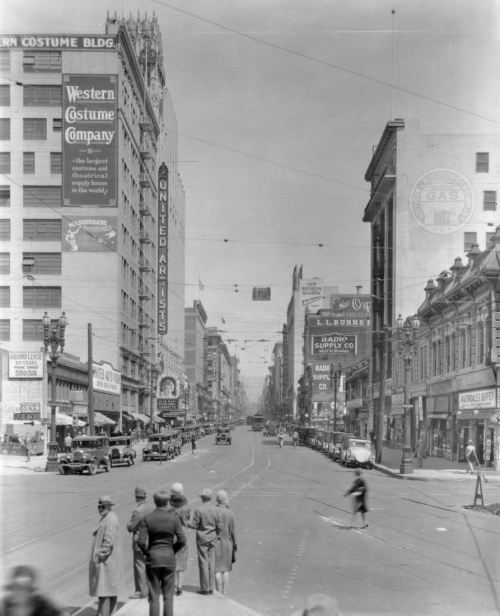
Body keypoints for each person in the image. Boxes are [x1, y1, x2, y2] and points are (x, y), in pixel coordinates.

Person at [137, 490, 186, 616]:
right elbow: (182, 540)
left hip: (153, 558)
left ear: (155, 502)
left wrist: (148, 553)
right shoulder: (174, 519)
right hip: (169, 557)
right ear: (167, 502)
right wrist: (172, 550)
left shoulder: (147, 519)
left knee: (153, 596)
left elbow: (141, 542)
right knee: (168, 596)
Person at [89, 496, 121, 616]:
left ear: (108, 506)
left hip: (106, 564)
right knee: (109, 593)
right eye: (99, 506)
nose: (100, 509)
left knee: (104, 595)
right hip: (107, 563)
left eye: (102, 506)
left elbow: (108, 542)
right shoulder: (107, 517)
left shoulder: (110, 519)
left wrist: (98, 556)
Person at [189, 488, 223, 595]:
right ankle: (211, 587)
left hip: (202, 538)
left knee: (203, 562)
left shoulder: (199, 510)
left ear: (202, 498)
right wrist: (215, 534)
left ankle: (205, 588)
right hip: (212, 538)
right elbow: (220, 526)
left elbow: (194, 525)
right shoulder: (216, 510)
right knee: (211, 562)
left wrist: (187, 523)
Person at [127, 487, 155, 598]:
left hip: (139, 543)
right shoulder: (152, 508)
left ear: (136, 497)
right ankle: (149, 589)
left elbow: (131, 527)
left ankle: (140, 591)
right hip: (151, 541)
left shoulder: (138, 511)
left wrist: (128, 525)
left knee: (139, 567)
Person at [167, 482, 191, 596]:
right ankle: (179, 587)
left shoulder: (168, 507)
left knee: (171, 563)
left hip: (171, 535)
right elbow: (188, 518)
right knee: (181, 564)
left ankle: (171, 587)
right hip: (182, 535)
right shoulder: (186, 506)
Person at [214, 490, 237, 595]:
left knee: (217, 569)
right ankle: (224, 591)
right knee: (226, 569)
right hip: (227, 542)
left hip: (216, 542)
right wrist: (235, 544)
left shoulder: (214, 511)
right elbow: (233, 531)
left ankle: (218, 592)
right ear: (225, 500)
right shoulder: (230, 512)